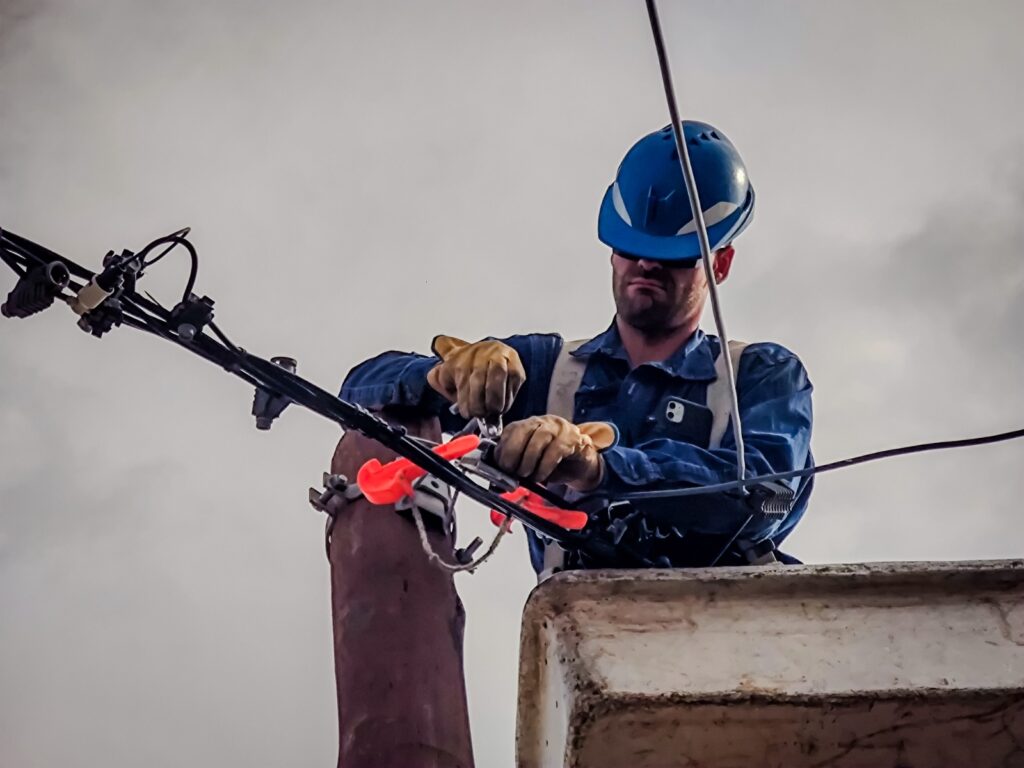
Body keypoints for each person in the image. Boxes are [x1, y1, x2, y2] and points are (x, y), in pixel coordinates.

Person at [341, 120, 814, 574]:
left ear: (720, 263)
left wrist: (598, 468)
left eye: (673, 256)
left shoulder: (760, 376)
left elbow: (769, 496)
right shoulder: (547, 372)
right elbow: (358, 392)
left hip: (727, 618)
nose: (647, 264)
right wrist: (441, 376)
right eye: (632, 248)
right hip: (578, 620)